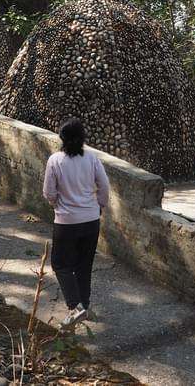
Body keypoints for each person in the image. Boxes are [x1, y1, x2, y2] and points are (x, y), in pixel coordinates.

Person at [42, 118, 109, 330]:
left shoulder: (55, 160)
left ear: (62, 138)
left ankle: (75, 306)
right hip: (91, 220)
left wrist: (56, 204)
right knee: (84, 265)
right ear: (83, 138)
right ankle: (84, 305)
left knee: (60, 264)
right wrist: (99, 205)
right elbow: (104, 186)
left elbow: (48, 192)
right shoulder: (92, 158)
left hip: (66, 221)